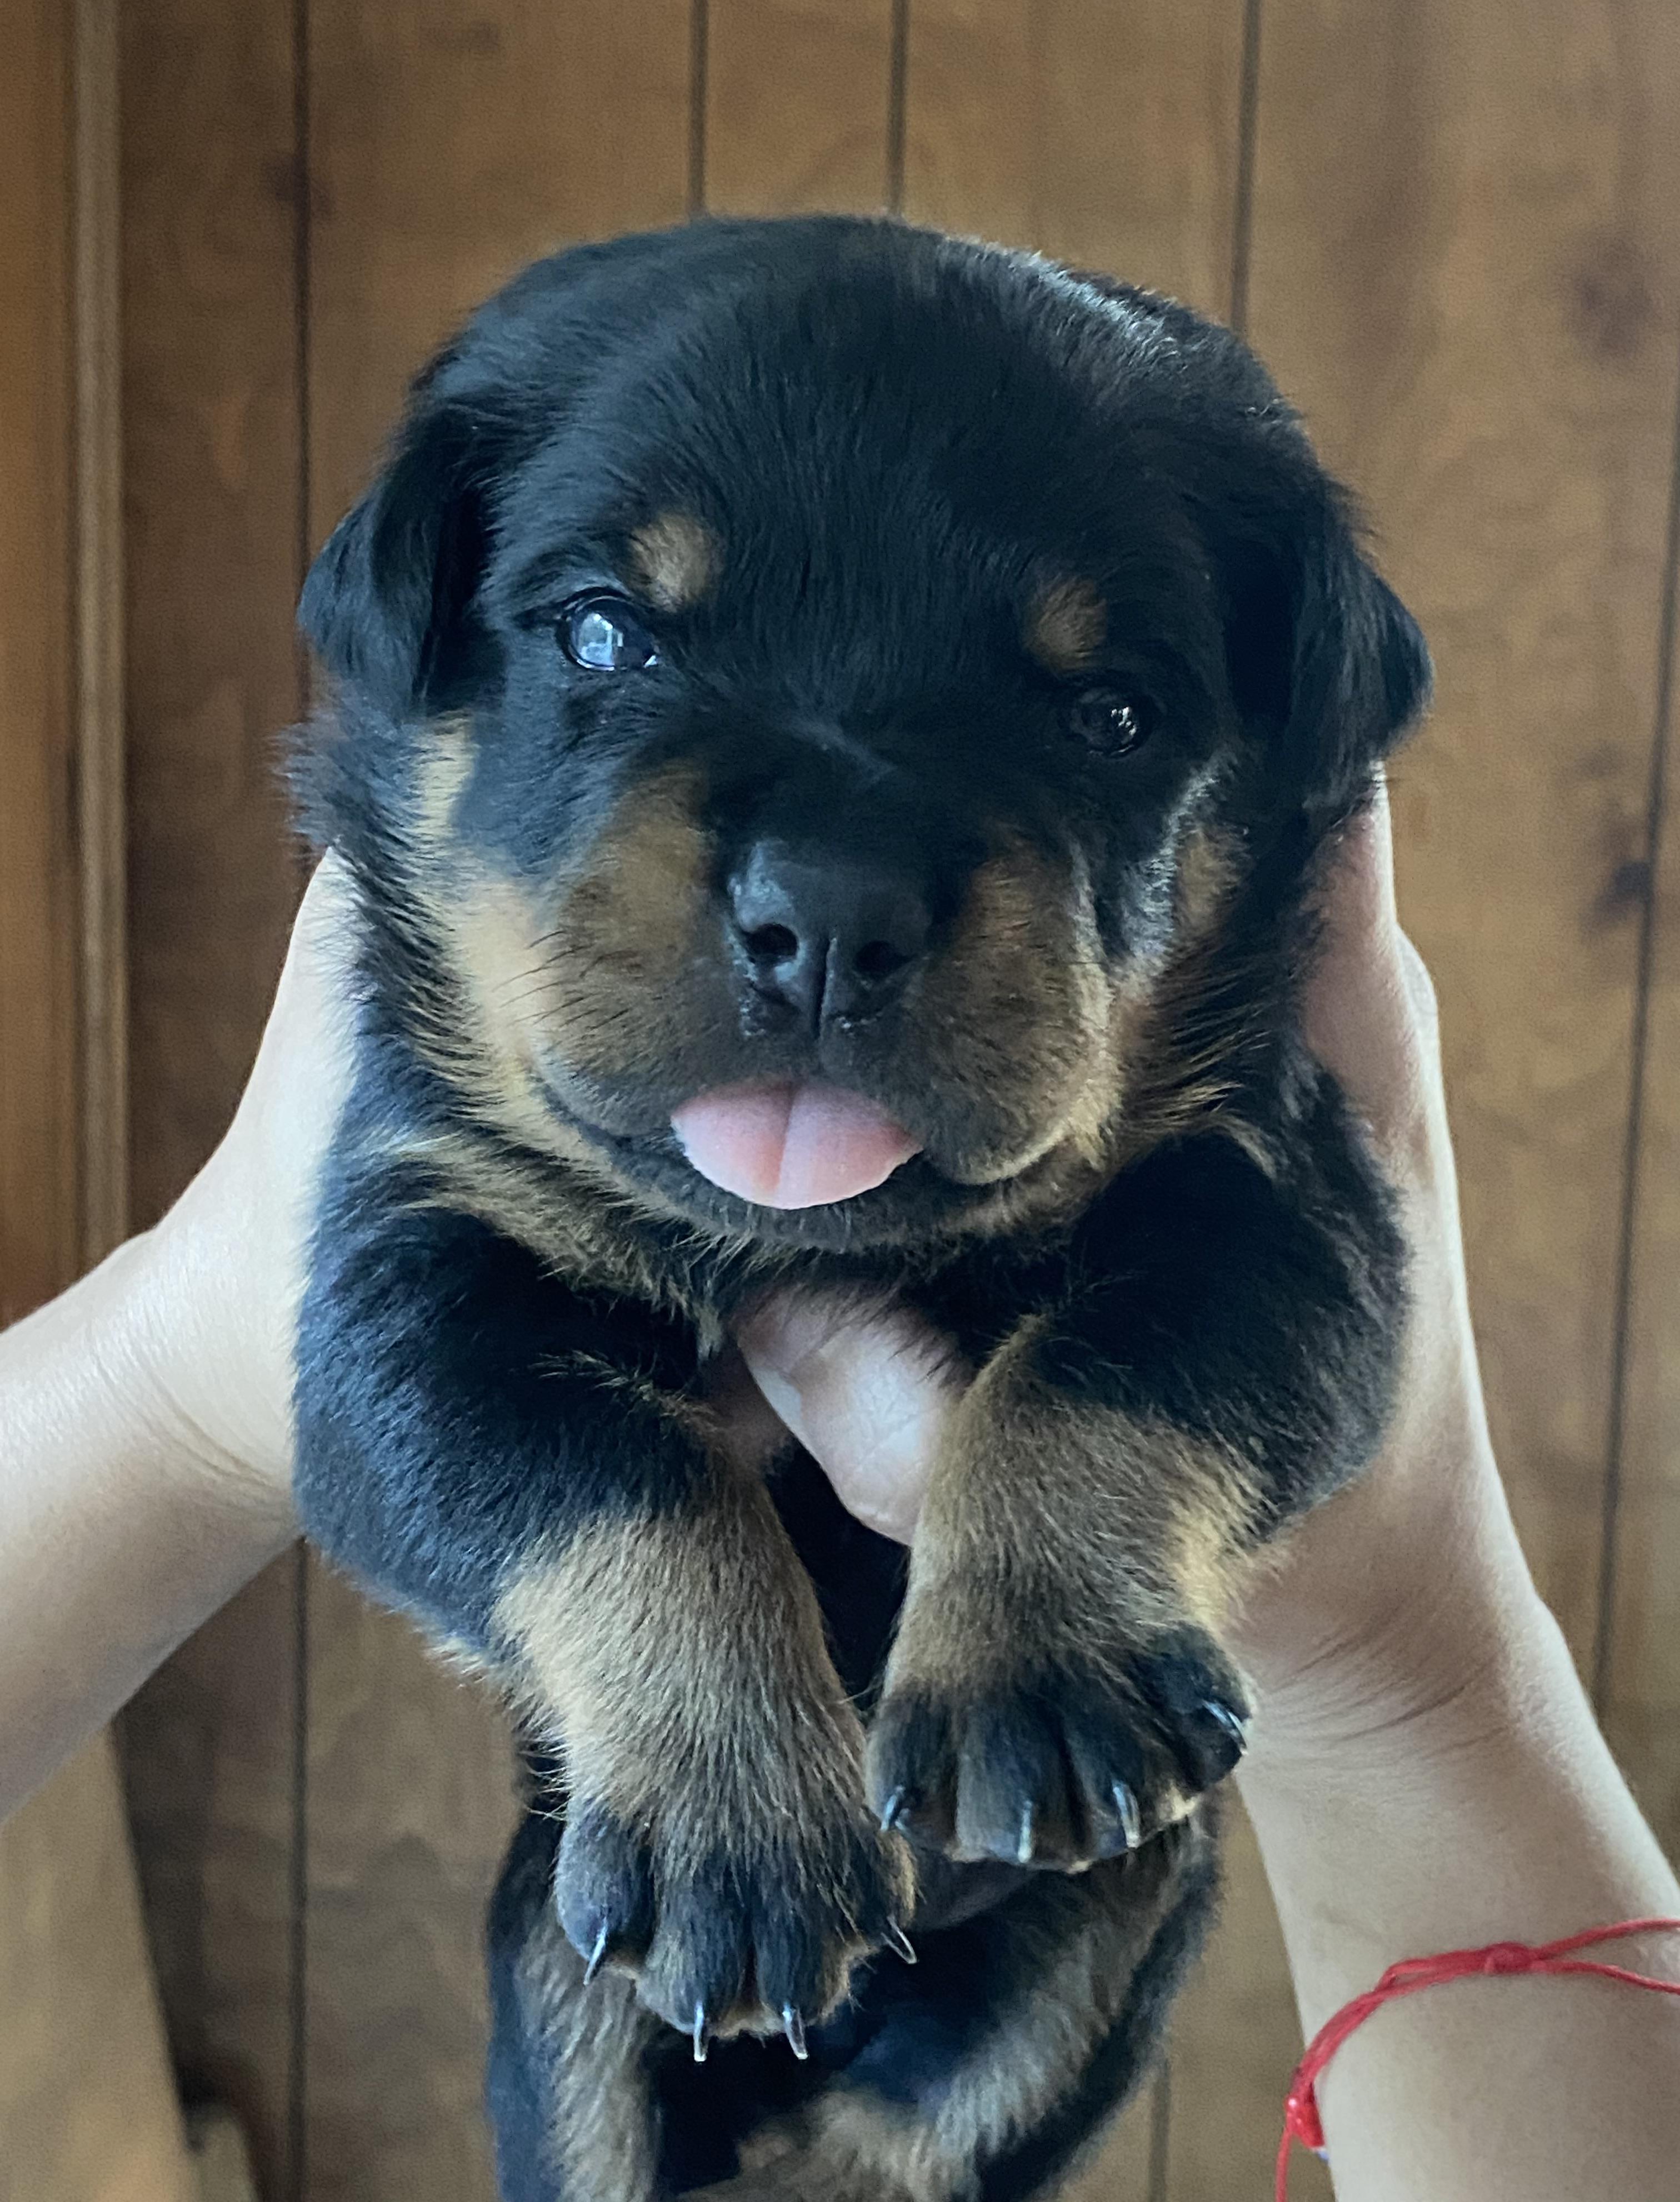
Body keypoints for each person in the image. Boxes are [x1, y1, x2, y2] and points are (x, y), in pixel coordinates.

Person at [2, 787, 1677, 2199]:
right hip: (658, 1834)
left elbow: (1246, 1295)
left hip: (1051, 1873)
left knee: (1116, 1907)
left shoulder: (1175, 1082)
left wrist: (1371, 1653)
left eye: (1102, 727)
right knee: (565, 1977)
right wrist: (194, 1370)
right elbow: (438, 1393)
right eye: (611, 641)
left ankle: (892, 2165)